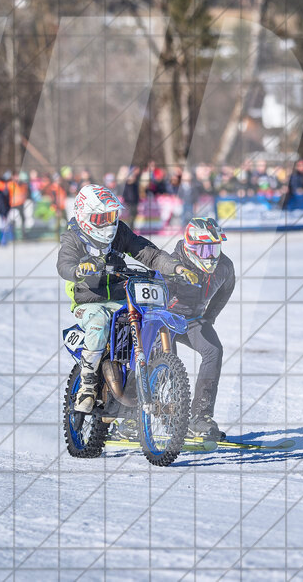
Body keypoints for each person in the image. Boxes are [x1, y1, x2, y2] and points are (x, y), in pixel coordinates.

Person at [56, 184, 199, 430]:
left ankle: (146, 382)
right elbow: (64, 263)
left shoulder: (119, 232)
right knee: (100, 323)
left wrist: (177, 267)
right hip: (90, 301)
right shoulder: (73, 237)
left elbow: (147, 253)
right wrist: (79, 269)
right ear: (85, 216)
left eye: (112, 217)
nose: (109, 224)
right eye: (103, 218)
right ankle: (88, 385)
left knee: (149, 318)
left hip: (124, 297)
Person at [166, 217, 234, 441]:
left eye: (215, 248)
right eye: (205, 250)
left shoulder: (224, 266)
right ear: (190, 246)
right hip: (164, 319)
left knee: (213, 350)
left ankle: (200, 418)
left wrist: (209, 318)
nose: (211, 255)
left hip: (193, 319)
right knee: (164, 361)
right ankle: (132, 417)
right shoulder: (173, 264)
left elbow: (224, 292)